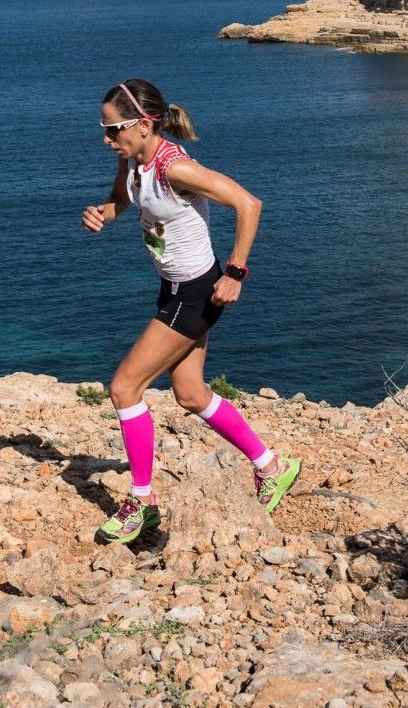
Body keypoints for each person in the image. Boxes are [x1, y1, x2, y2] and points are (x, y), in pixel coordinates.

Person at [82, 77, 301, 543]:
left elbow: (249, 202)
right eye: (103, 129)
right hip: (173, 288)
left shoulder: (174, 169)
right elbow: (124, 200)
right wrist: (103, 212)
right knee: (191, 394)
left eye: (113, 129)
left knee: (124, 388)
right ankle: (271, 466)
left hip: (197, 293)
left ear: (142, 125)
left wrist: (235, 272)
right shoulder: (134, 163)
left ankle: (141, 501)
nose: (106, 139)